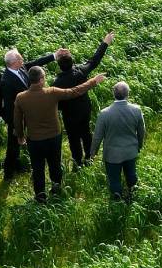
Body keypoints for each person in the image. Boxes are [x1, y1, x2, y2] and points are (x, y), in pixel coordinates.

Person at [13, 66, 106, 203]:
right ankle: (56, 189)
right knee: (55, 164)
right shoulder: (52, 92)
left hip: (35, 139)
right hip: (53, 137)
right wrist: (93, 81)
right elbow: (75, 91)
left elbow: (17, 120)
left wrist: (20, 136)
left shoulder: (21, 97)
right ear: (41, 80)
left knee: (37, 168)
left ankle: (40, 195)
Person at [52, 31, 114, 167]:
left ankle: (77, 161)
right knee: (86, 132)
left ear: (59, 65)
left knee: (73, 138)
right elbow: (94, 60)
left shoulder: (57, 83)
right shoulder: (81, 71)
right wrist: (105, 43)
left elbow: (57, 103)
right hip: (84, 109)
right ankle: (90, 157)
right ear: (72, 62)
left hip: (69, 114)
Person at [0, 47, 55, 178]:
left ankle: (17, 164)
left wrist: (54, 55)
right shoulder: (6, 81)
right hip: (17, 118)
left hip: (28, 114)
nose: (23, 59)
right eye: (20, 58)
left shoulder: (21, 68)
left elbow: (36, 62)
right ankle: (8, 172)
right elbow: (8, 106)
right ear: (13, 62)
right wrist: (14, 124)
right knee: (13, 144)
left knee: (21, 142)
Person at [91, 81, 146, 200]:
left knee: (114, 179)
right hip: (130, 151)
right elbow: (142, 131)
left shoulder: (104, 113)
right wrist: (139, 145)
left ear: (113, 94)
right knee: (131, 175)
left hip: (112, 155)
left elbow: (97, 137)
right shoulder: (136, 110)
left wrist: (93, 153)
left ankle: (117, 199)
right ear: (128, 94)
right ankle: (133, 197)